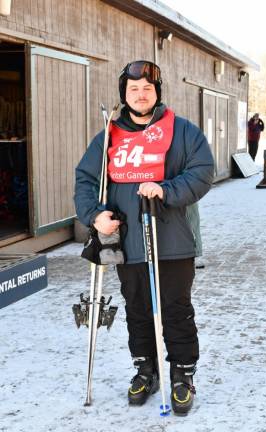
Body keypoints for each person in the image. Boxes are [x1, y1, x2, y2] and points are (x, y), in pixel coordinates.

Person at [74, 60, 214, 415]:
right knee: (137, 308)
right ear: (124, 93)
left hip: (172, 240)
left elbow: (202, 171)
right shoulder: (108, 136)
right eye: (133, 89)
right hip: (127, 241)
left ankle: (182, 374)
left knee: (174, 309)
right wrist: (94, 216)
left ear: (157, 92)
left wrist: (166, 189)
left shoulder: (181, 130)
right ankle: (145, 369)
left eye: (147, 89)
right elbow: (86, 179)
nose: (140, 94)